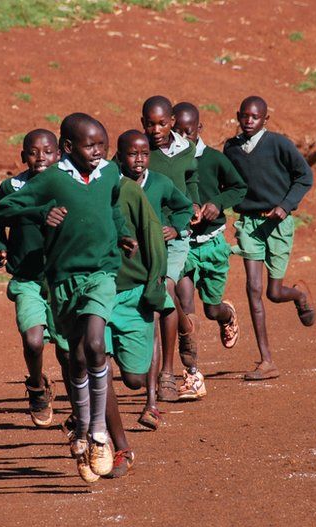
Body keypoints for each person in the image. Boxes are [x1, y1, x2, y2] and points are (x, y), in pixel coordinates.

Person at [0, 113, 137, 483]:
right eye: (91, 145)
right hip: (62, 281)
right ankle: (85, 431)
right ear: (68, 148)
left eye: (103, 144)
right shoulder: (53, 179)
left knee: (95, 345)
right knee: (73, 358)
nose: (100, 151)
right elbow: (2, 211)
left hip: (102, 273)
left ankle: (102, 437)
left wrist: (122, 234)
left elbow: (114, 207)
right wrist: (41, 212)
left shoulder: (108, 174)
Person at [223, 96, 316, 381]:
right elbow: (226, 182)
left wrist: (285, 206)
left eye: (255, 117)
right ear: (238, 116)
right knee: (253, 287)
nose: (249, 121)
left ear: (266, 119)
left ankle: (298, 293)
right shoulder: (232, 148)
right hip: (250, 224)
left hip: (278, 224)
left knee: (273, 293)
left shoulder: (279, 144)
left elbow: (304, 177)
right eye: (245, 116)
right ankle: (266, 361)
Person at [0, 129, 66, 428]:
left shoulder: (68, 185)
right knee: (33, 341)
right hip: (27, 277)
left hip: (62, 278)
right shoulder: (12, 187)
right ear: (23, 157)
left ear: (59, 154)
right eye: (33, 152)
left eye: (48, 151)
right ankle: (37, 388)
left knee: (66, 349)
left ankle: (79, 401)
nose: (40, 158)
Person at [113, 130, 190, 430]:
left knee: (161, 309)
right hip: (125, 267)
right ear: (119, 156)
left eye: (144, 154)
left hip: (156, 259)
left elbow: (183, 206)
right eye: (133, 154)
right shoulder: (111, 185)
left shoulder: (159, 182)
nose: (140, 160)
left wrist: (174, 226)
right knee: (132, 366)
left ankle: (156, 395)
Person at [172, 102, 247, 390]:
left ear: (199, 129)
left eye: (188, 132)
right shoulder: (170, 162)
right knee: (185, 308)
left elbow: (238, 188)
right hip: (183, 245)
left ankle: (226, 314)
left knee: (211, 309)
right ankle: (192, 373)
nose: (182, 137)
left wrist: (218, 203)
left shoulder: (214, 159)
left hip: (213, 243)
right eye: (176, 131)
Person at [139, 95, 207, 400]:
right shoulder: (136, 152)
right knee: (151, 297)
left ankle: (167, 371)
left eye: (161, 123)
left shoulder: (186, 149)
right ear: (142, 123)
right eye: (150, 124)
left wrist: (192, 203)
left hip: (177, 234)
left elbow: (189, 178)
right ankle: (182, 329)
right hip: (145, 236)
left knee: (164, 288)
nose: (155, 129)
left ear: (172, 123)